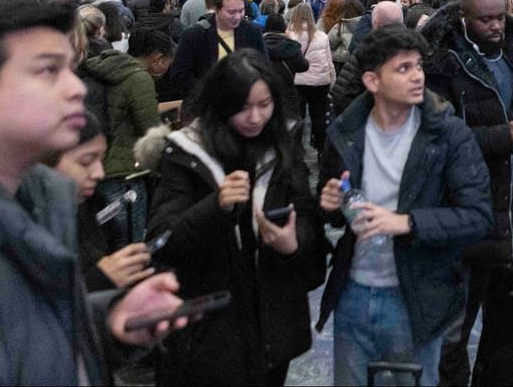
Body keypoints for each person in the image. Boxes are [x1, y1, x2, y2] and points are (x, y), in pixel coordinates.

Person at [0, 0, 187, 384]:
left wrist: (107, 317)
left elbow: (21, 332)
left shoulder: (37, 204)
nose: (76, 87)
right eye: (48, 70)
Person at [316, 26, 492, 386]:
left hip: (415, 296)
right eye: (403, 69)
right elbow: (336, 203)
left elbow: (477, 217)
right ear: (372, 81)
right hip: (352, 293)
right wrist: (331, 202)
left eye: (418, 66)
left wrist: (406, 223)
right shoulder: (348, 132)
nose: (417, 77)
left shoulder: (446, 134)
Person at [145, 50, 324, 386]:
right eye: (243, 107)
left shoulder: (283, 143)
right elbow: (162, 240)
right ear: (221, 104)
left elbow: (306, 212)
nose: (256, 117)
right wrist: (216, 207)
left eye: (264, 104)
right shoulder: (186, 154)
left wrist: (293, 241)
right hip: (209, 326)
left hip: (273, 320)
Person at [421, 0, 513, 386]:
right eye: (485, 19)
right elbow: (436, 141)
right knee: (453, 335)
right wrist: (500, 139)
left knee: (508, 326)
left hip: (511, 211)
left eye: (500, 17)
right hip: (467, 216)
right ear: (464, 17)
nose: (496, 26)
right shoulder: (441, 64)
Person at [48, 112, 154, 291]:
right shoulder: (20, 224)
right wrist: (101, 279)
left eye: (101, 159)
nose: (99, 173)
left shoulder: (93, 205)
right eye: (86, 161)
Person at [79, 23, 165, 244]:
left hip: (97, 165)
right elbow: (150, 130)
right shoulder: (138, 77)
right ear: (157, 58)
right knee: (130, 241)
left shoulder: (103, 66)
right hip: (125, 173)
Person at [163, 0, 267, 101]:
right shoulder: (194, 35)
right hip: (205, 104)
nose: (237, 16)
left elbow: (263, 67)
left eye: (241, 11)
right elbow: (180, 75)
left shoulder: (252, 32)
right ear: (216, 9)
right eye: (231, 12)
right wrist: (210, 90)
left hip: (244, 101)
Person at [286, 2, 337, 152]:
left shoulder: (289, 35)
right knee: (319, 117)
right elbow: (329, 61)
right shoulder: (321, 36)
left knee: (297, 118)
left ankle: (297, 149)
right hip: (320, 82)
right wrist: (332, 80)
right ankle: (321, 149)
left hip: (297, 81)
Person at [261, 13, 310, 121]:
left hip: (263, 92)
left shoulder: (258, 45)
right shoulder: (291, 47)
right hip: (287, 93)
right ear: (283, 27)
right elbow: (304, 66)